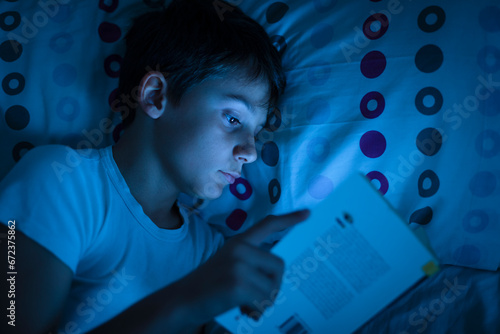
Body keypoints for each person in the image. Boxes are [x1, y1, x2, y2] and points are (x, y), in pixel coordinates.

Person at [0, 0, 310, 333]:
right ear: (155, 95)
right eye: (233, 118)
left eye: (257, 133)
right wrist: (188, 300)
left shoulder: (212, 256)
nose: (250, 151)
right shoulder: (60, 180)